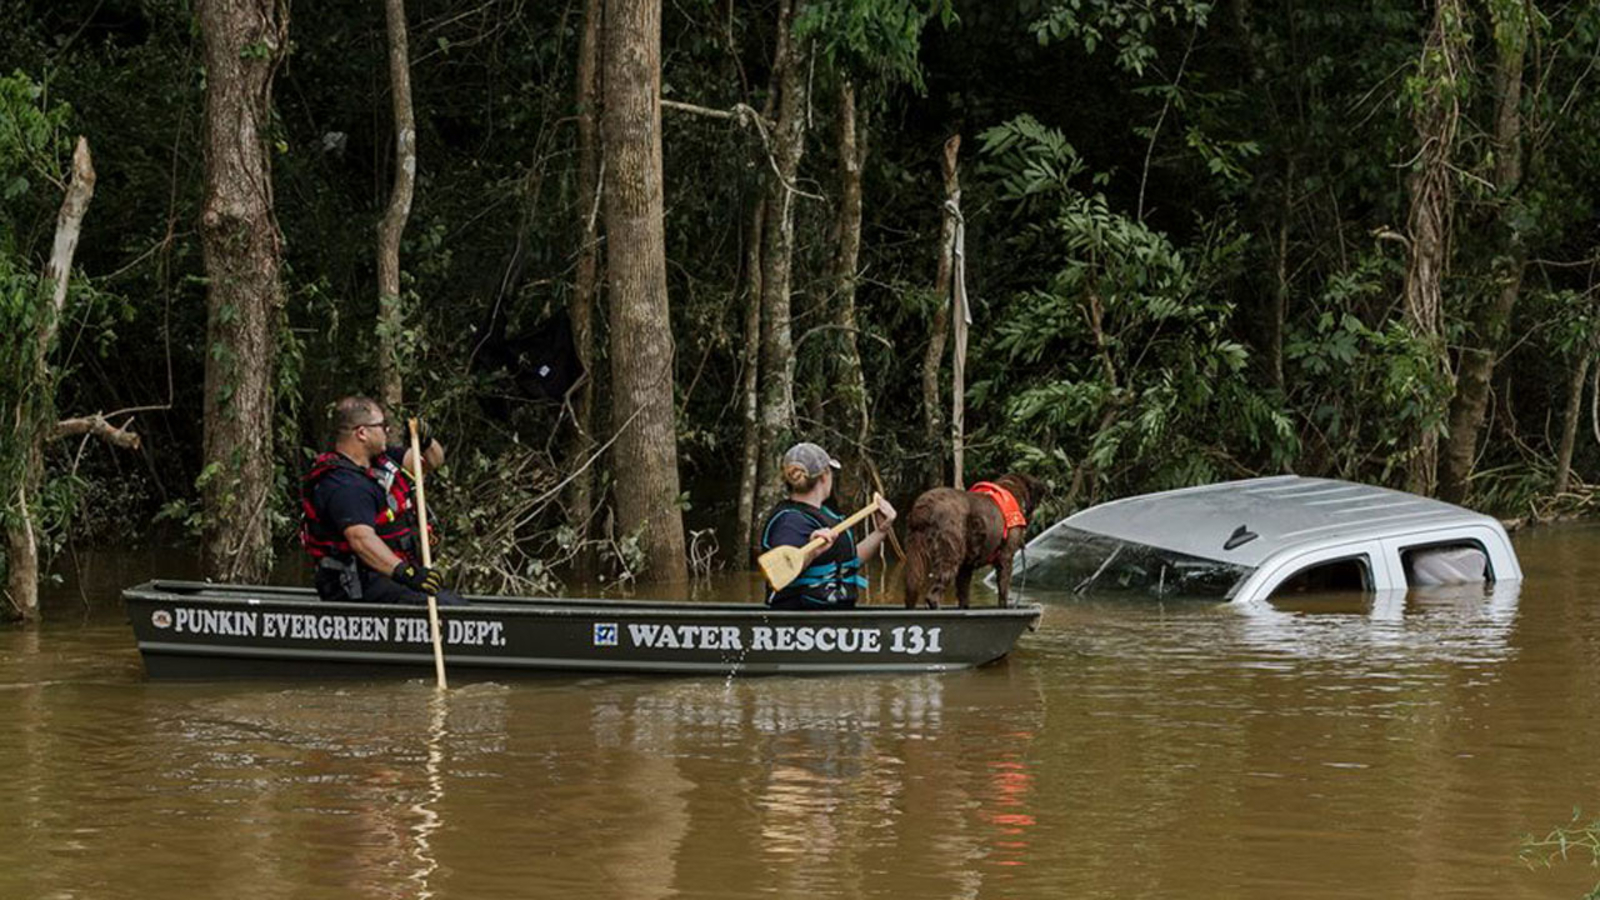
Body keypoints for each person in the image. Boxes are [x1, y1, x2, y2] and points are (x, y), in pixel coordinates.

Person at [300, 396, 467, 605]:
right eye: (381, 426)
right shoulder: (343, 484)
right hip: (359, 586)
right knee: (449, 608)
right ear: (362, 433)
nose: (386, 430)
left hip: (389, 580)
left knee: (455, 603)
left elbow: (433, 461)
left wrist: (427, 442)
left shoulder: (383, 461)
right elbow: (361, 540)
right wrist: (406, 573)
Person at [759, 442, 896, 610]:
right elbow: (781, 572)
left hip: (833, 619)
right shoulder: (789, 521)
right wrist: (811, 552)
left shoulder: (827, 515)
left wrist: (881, 531)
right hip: (802, 621)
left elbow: (847, 562)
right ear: (825, 475)